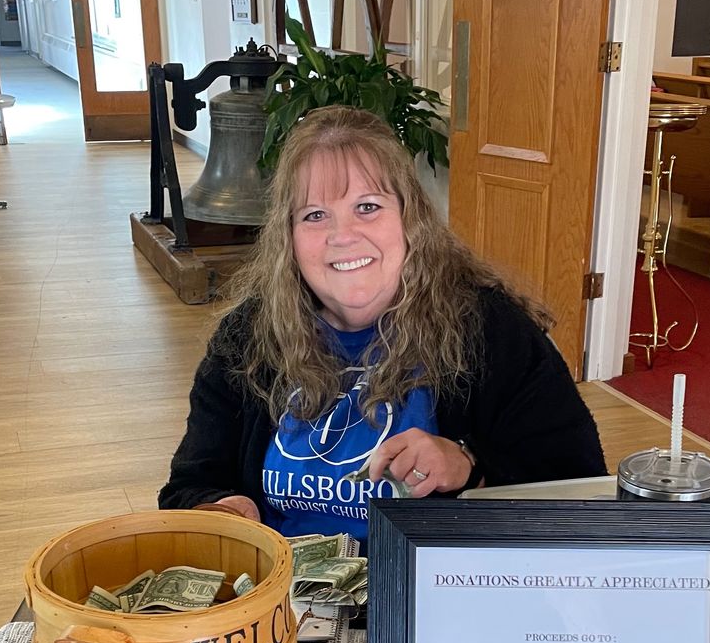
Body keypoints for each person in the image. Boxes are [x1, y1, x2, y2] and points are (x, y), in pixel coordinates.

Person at [159, 105, 606, 541]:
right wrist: (219, 508)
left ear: (410, 218)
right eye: (314, 215)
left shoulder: (491, 330)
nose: (342, 235)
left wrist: (470, 467)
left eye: (368, 206)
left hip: (434, 583)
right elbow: (190, 485)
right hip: (282, 583)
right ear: (287, 237)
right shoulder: (248, 336)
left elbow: (577, 486)